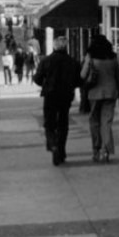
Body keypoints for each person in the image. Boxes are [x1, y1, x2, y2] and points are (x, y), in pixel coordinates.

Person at [34, 33, 80, 165]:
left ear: (54, 47)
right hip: (66, 96)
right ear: (66, 47)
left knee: (49, 123)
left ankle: (53, 144)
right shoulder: (72, 62)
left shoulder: (46, 61)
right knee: (63, 123)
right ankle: (61, 150)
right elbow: (78, 80)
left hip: (50, 94)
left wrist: (46, 84)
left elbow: (37, 79)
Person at [81, 33, 119, 163]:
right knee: (106, 122)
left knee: (94, 121)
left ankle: (96, 149)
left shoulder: (91, 57)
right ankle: (105, 150)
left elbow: (83, 75)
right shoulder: (112, 58)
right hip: (111, 93)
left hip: (94, 94)